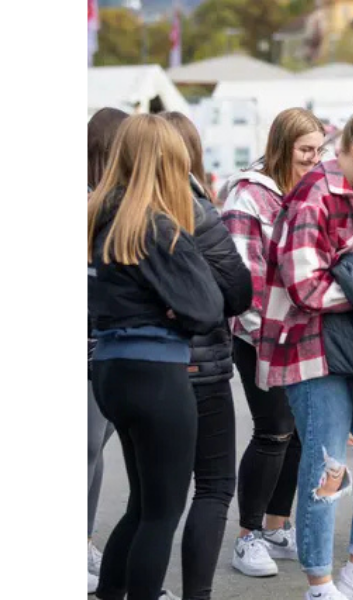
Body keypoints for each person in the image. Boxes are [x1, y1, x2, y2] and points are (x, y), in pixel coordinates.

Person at [256, 92, 353, 600]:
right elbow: (304, 286)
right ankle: (320, 585)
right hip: (311, 349)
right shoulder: (312, 195)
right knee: (326, 466)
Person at [87, 114, 226, 600]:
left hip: (111, 369)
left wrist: (177, 306)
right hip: (157, 373)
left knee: (143, 506)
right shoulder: (161, 228)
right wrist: (176, 309)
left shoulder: (102, 218)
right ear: (169, 163)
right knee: (162, 511)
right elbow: (209, 306)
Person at [220, 107, 327, 578]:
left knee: (299, 434)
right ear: (282, 147)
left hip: (302, 333)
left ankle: (276, 526)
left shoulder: (306, 191)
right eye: (306, 151)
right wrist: (265, 332)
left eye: (319, 151)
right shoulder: (247, 197)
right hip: (259, 335)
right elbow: (241, 279)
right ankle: (248, 538)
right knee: (273, 430)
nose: (314, 160)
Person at [161, 112, 255, 600]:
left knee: (153, 501)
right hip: (202, 371)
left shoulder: (116, 209)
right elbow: (240, 289)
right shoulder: (196, 208)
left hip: (142, 368)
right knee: (214, 486)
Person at [87, 106, 128, 595]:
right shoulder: (90, 203)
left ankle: (85, 539)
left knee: (94, 451)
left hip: (107, 347)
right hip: (92, 347)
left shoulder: (110, 202)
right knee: (86, 449)